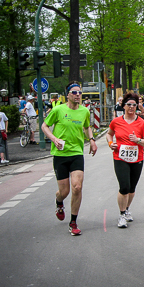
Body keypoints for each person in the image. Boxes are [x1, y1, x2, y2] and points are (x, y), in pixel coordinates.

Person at [41, 81, 98, 236]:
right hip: (60, 155)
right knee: (64, 191)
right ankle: (59, 202)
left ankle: (73, 222)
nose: (78, 95)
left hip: (76, 153)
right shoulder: (58, 110)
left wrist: (91, 140)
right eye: (74, 92)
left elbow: (87, 127)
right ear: (68, 94)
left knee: (77, 187)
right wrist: (54, 139)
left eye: (80, 92)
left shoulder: (84, 111)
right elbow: (44, 126)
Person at [106, 93, 144, 228]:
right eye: (129, 104)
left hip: (137, 158)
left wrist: (137, 140)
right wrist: (110, 143)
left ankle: (126, 209)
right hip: (120, 157)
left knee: (131, 188)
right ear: (123, 106)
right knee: (124, 187)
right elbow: (109, 134)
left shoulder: (141, 123)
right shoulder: (116, 121)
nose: (131, 107)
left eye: (134, 105)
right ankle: (122, 214)